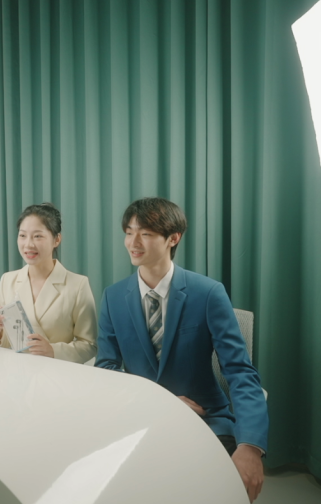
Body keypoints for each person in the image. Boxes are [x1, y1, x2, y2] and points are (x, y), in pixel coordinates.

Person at [95, 197, 269, 503]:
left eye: (145, 234)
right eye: (129, 232)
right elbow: (106, 369)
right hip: (141, 417)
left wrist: (251, 446)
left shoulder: (208, 293)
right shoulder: (113, 297)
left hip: (206, 419)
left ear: (173, 238)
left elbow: (240, 372)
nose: (133, 243)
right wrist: (163, 401)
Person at [0, 203, 97, 363]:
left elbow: (89, 345)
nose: (28, 244)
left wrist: (53, 351)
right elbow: (9, 343)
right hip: (17, 371)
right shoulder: (7, 280)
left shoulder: (78, 285)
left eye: (38, 236)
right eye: (22, 235)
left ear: (56, 239)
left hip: (58, 373)